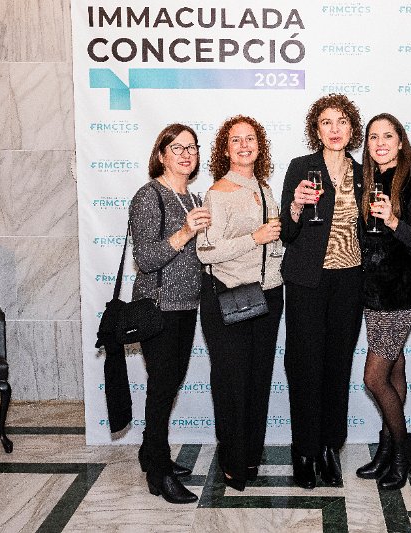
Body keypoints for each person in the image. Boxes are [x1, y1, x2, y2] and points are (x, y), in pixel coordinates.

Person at [280, 94, 364, 489]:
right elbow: (287, 231)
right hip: (306, 282)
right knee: (304, 365)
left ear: (352, 129)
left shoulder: (364, 173)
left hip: (349, 282)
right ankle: (304, 450)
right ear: (316, 129)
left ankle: (331, 447)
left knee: (337, 365)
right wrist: (296, 206)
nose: (334, 129)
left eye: (342, 121)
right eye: (326, 122)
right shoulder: (301, 167)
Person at [197, 115, 284, 492]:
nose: (244, 145)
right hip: (230, 295)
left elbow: (274, 244)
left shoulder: (265, 188)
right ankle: (233, 462)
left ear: (260, 146)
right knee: (233, 383)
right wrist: (255, 237)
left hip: (269, 295)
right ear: (225, 149)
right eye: (236, 140)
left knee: (259, 380)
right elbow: (206, 251)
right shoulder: (217, 193)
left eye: (251, 139)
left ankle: (250, 456)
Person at [355, 113, 411, 490]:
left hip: (401, 292)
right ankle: (387, 449)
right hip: (374, 291)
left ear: (401, 142)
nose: (380, 143)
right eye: (373, 137)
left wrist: (392, 221)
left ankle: (403, 450)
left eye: (387, 136)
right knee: (394, 371)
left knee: (373, 377)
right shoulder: (370, 181)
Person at [129, 123, 211, 504]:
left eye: (191, 147)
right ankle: (159, 474)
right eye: (177, 147)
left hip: (188, 305)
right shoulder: (149, 197)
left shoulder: (193, 198)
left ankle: (150, 452)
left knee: (171, 381)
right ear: (161, 154)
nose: (185, 154)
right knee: (162, 387)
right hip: (158, 307)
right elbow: (146, 259)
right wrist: (184, 232)